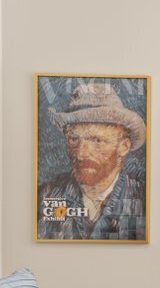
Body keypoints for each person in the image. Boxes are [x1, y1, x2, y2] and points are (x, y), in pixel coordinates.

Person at [37, 82, 147, 241]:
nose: (80, 154)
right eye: (74, 139)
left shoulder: (143, 198)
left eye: (96, 140)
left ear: (123, 147)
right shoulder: (45, 196)